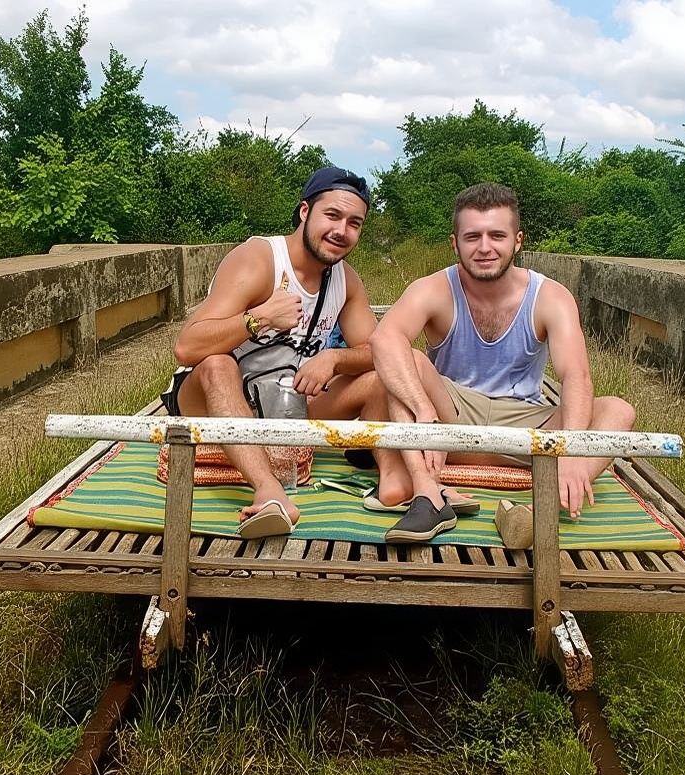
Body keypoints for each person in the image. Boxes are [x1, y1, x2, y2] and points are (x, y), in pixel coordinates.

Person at [366, 183, 636, 543]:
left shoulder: (550, 296)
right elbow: (384, 338)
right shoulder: (433, 288)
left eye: (496, 235)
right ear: (455, 243)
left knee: (618, 411)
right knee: (404, 360)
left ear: (517, 241)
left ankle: (532, 514)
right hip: (450, 422)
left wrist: (570, 449)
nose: (484, 248)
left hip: (524, 426)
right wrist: (423, 412)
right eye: (472, 236)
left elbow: (576, 376)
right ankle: (426, 493)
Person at [165, 166, 379, 538]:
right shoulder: (260, 259)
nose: (341, 231)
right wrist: (259, 318)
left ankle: (393, 486)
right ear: (304, 212)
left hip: (287, 398)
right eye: (332, 215)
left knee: (380, 380)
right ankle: (269, 490)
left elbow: (377, 351)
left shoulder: (346, 279)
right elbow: (187, 347)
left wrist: (333, 358)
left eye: (354, 223)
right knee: (217, 365)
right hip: (216, 395)